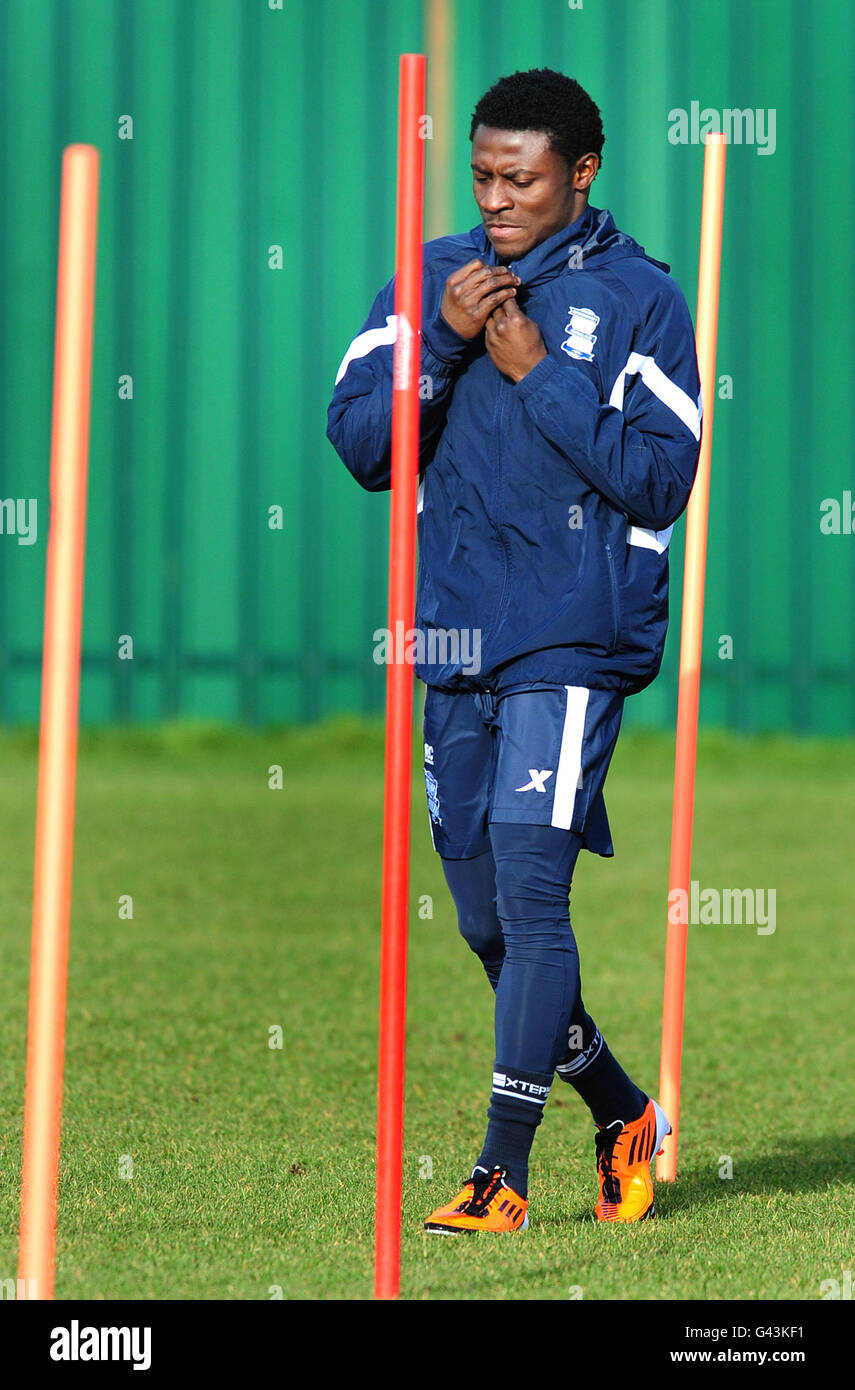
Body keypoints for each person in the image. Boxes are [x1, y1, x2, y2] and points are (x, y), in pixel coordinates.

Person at [327, 67, 701, 1234]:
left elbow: (658, 477)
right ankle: (624, 1109)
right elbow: (361, 446)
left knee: (535, 901)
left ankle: (502, 1176)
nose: (496, 198)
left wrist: (541, 374)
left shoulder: (640, 300)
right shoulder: (432, 275)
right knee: (484, 920)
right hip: (453, 636)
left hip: (574, 639)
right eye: (483, 174)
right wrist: (437, 351)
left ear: (579, 174)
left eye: (521, 178)